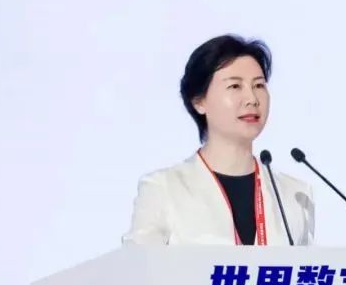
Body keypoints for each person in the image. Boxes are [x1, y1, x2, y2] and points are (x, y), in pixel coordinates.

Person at [122, 35, 315, 246]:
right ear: (199, 101)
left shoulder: (295, 195)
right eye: (235, 86)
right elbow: (137, 265)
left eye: (259, 85)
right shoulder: (163, 189)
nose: (252, 99)